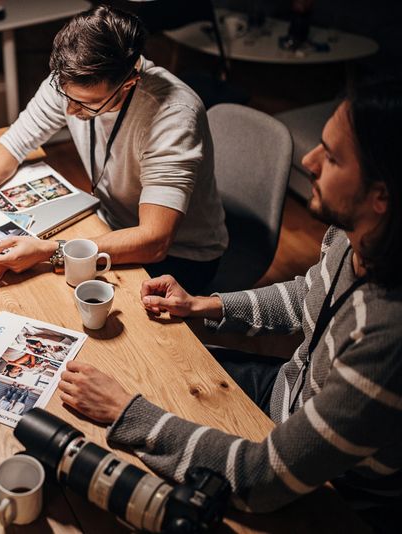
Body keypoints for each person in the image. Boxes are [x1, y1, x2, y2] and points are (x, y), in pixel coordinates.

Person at [57, 79, 402, 528]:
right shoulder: (354, 235)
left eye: (333, 158)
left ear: (381, 197)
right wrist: (204, 305)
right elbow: (309, 294)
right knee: (144, 369)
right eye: (321, 145)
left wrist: (125, 413)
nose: (309, 161)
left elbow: (260, 478)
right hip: (286, 395)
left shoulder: (387, 340)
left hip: (335, 491)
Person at [0, 6, 227, 294]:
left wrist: (50, 251)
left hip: (182, 256)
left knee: (49, 296)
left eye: (87, 104)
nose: (70, 110)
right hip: (110, 223)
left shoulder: (174, 116)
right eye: (66, 95)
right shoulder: (73, 79)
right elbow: (15, 142)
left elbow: (155, 241)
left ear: (129, 83)